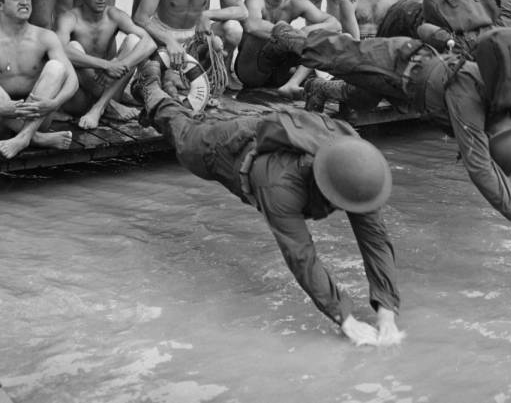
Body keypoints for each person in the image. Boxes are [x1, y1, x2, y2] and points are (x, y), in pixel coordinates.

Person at [131, 62, 403, 346]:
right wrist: (344, 318)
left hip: (281, 131)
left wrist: (387, 309)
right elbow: (300, 255)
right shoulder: (280, 186)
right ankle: (151, 90)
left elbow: (376, 239)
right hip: (229, 149)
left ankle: (164, 95)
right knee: (185, 135)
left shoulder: (358, 165)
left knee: (190, 127)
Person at [301, 27, 511, 253]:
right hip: (399, 64)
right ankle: (281, 35)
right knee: (322, 52)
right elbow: (478, 164)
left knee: (360, 100)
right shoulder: (468, 94)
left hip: (412, 96)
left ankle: (318, 87)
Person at [56, 0, 155, 129]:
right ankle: (109, 107)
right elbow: (59, 51)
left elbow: (150, 43)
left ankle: (101, 107)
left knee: (135, 40)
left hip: (110, 89)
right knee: (72, 47)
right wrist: (105, 65)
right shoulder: (69, 18)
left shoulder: (113, 15)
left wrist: (121, 64)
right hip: (80, 98)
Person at [0, 0, 78, 159]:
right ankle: (39, 139)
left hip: (37, 114)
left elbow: (72, 80)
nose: (25, 3)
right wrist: (3, 108)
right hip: (2, 115)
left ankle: (25, 136)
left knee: (57, 67)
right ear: (0, 4)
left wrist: (54, 103)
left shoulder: (44, 37)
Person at [235, 0, 340, 97]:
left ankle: (292, 84)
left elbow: (334, 24)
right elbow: (251, 26)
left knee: (320, 39)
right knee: (282, 31)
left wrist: (307, 29)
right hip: (252, 71)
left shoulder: (295, 2)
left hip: (279, 73)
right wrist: (289, 33)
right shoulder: (255, 0)